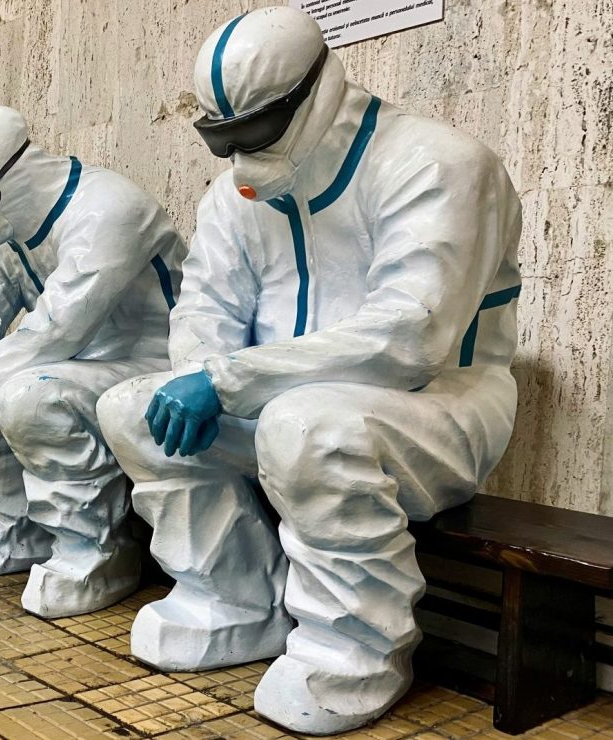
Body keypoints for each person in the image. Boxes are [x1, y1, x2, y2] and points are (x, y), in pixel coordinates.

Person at [97, 6, 521, 734]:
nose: (237, 154)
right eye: (218, 136)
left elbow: (409, 337)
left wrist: (227, 382)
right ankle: (232, 599)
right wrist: (199, 377)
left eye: (252, 130)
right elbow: (204, 309)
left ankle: (353, 650)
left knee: (305, 425)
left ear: (315, 91)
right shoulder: (236, 194)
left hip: (441, 406)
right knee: (133, 408)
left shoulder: (438, 163)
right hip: (287, 407)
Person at [0, 105, 186, 619]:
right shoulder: (7, 226)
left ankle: (97, 549)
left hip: (147, 364)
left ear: (14, 174)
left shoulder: (107, 209)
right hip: (66, 365)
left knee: (31, 395)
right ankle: (15, 523)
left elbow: (60, 324)